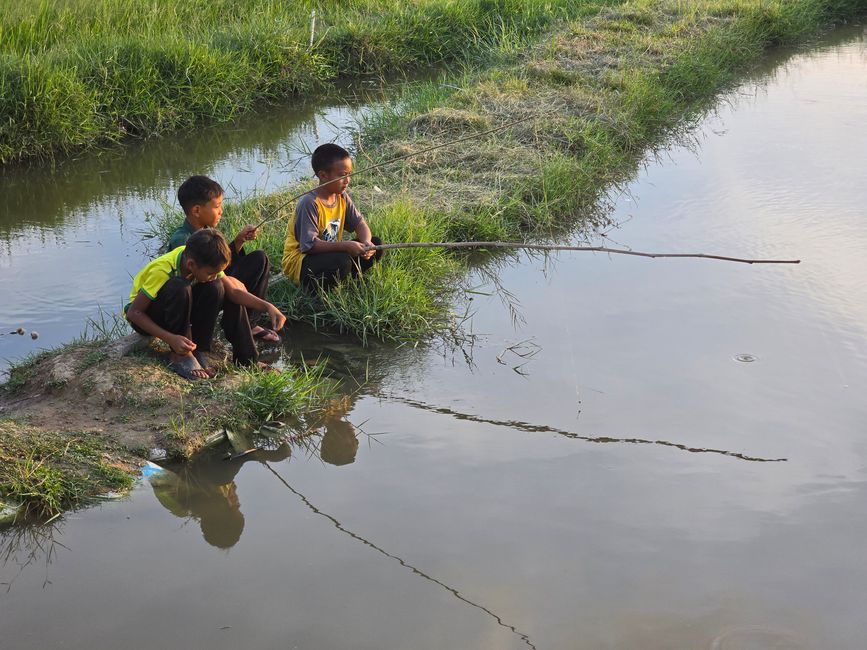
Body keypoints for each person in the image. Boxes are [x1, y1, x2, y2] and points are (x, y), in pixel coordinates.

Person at [126, 228, 287, 379]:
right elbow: (134, 313)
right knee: (180, 287)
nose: (214, 275)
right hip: (145, 315)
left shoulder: (200, 260)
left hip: (175, 307)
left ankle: (244, 359)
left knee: (216, 287)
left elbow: (234, 293)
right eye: (211, 273)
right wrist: (170, 338)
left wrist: (268, 307)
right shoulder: (162, 270)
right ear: (191, 265)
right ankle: (179, 354)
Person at [167, 175, 280, 344]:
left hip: (213, 279)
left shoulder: (206, 231)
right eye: (217, 206)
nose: (221, 211)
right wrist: (229, 281)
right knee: (221, 285)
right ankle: (220, 333)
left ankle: (250, 323)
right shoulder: (182, 240)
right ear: (197, 211)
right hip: (202, 295)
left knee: (259, 258)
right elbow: (193, 281)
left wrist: (238, 241)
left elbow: (217, 263)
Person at [281, 143, 383, 290]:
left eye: (349, 174)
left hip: (330, 254)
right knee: (342, 261)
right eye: (342, 176)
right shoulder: (309, 203)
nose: (347, 181)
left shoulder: (341, 197)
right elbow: (309, 246)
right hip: (301, 262)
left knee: (376, 244)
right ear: (323, 175)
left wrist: (367, 242)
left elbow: (360, 223)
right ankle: (314, 288)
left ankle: (348, 276)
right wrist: (346, 246)